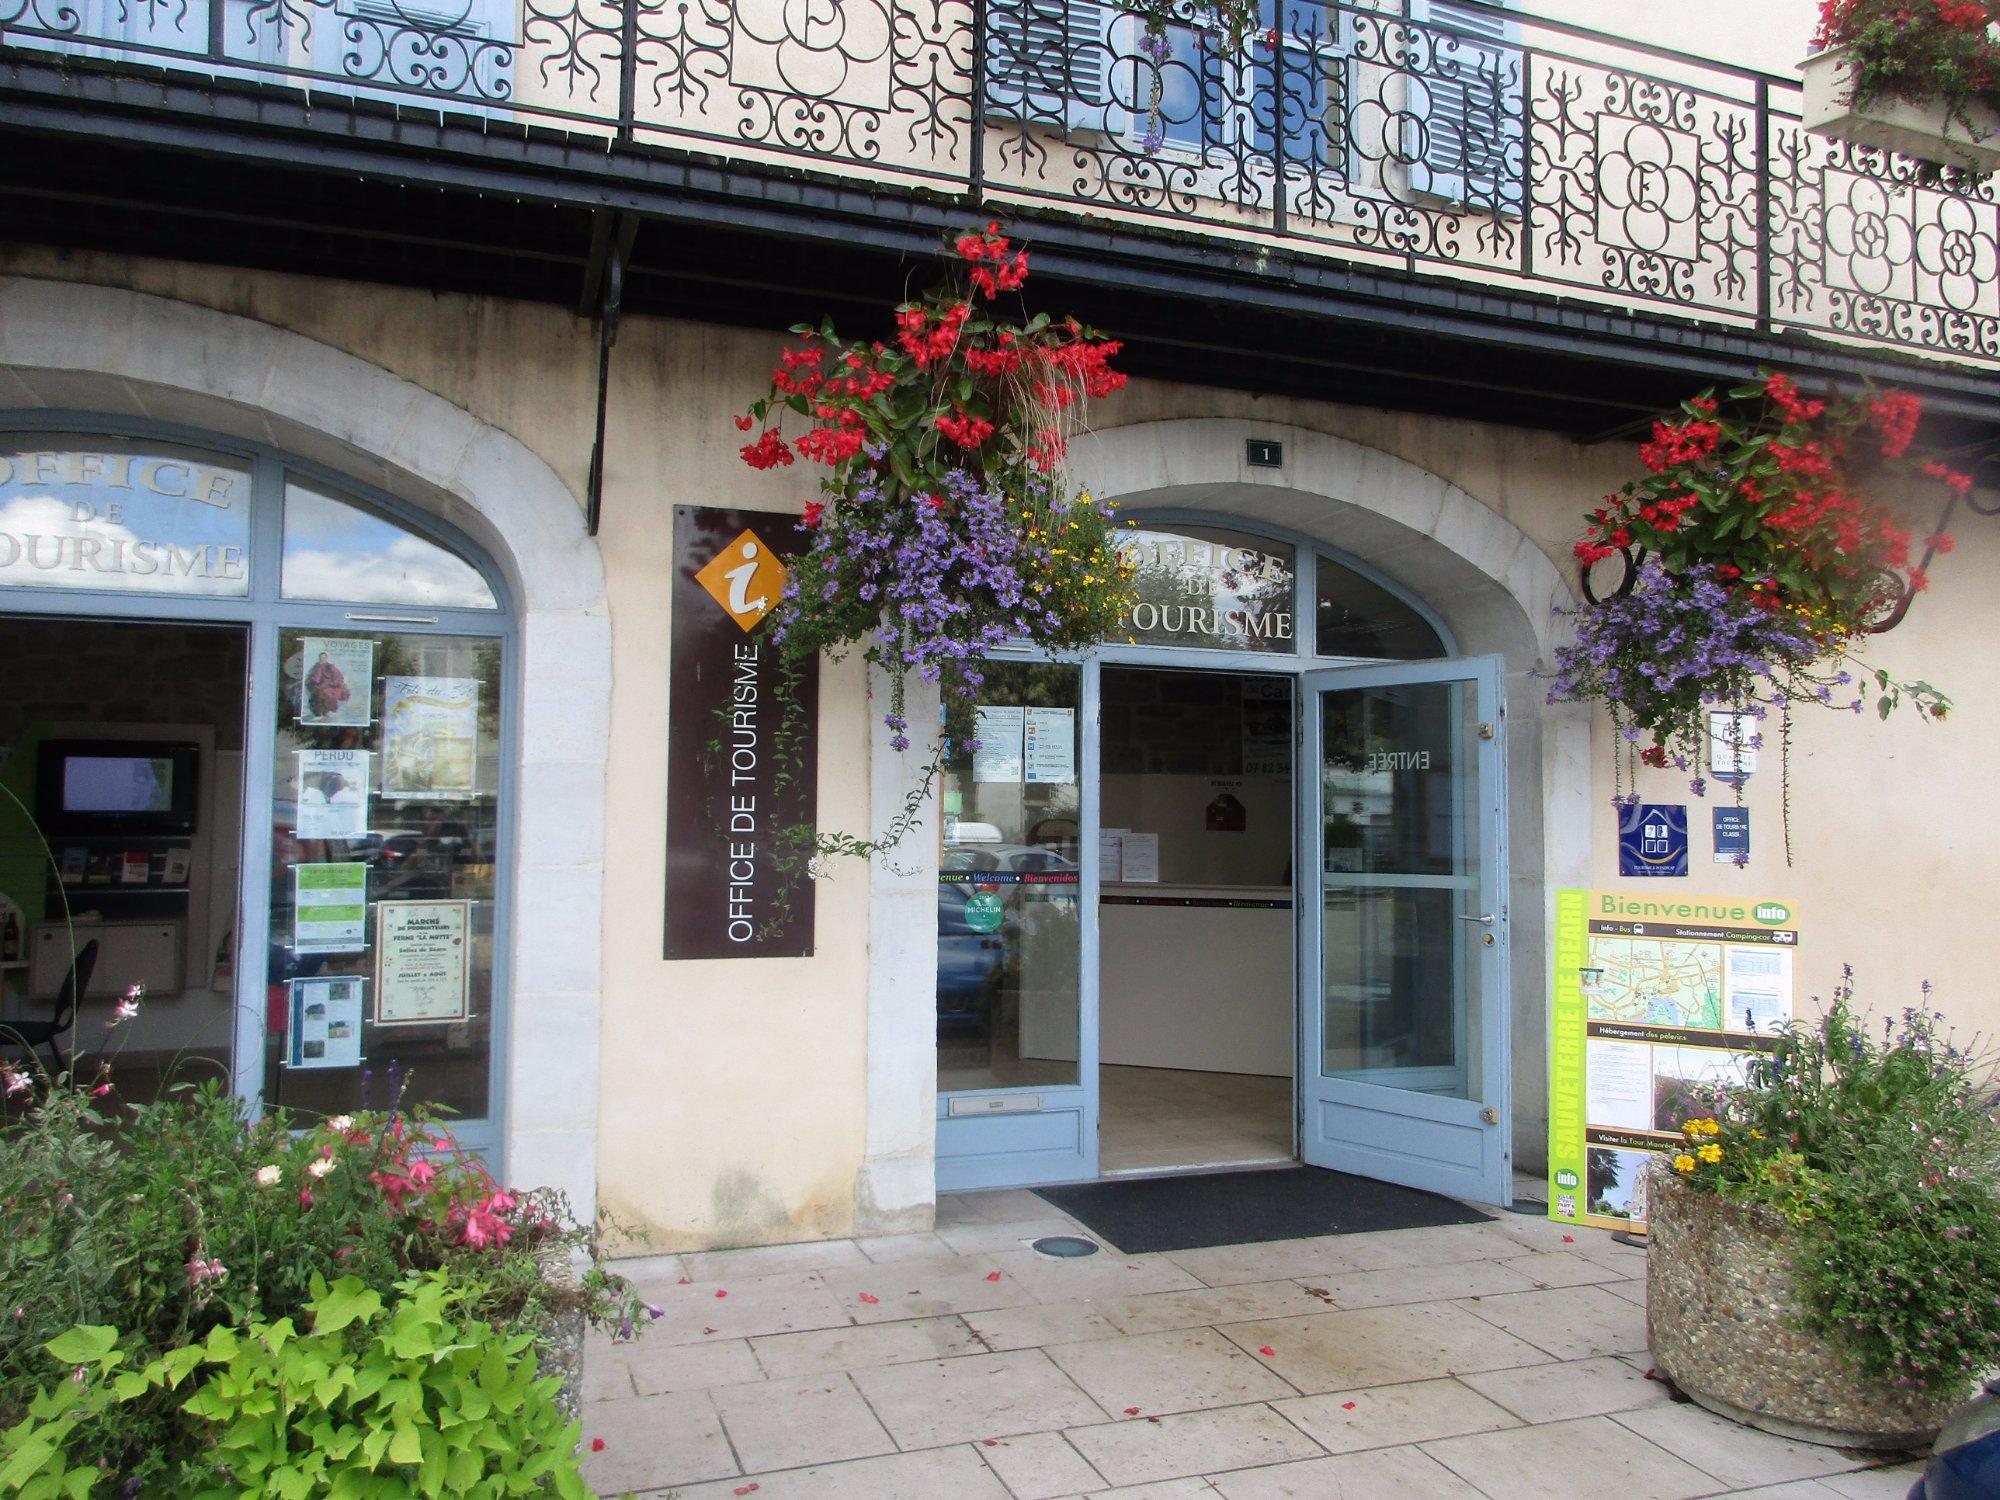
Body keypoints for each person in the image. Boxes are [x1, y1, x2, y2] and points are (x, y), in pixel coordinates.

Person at [306, 651, 351, 720]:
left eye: (324, 657)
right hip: (317, 686)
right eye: (321, 657)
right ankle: (318, 713)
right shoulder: (315, 667)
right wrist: (312, 682)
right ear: (319, 658)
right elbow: (311, 677)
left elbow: (338, 676)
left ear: (326, 658)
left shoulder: (330, 667)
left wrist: (332, 683)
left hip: (329, 686)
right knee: (316, 695)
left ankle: (326, 713)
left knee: (326, 694)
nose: (322, 658)